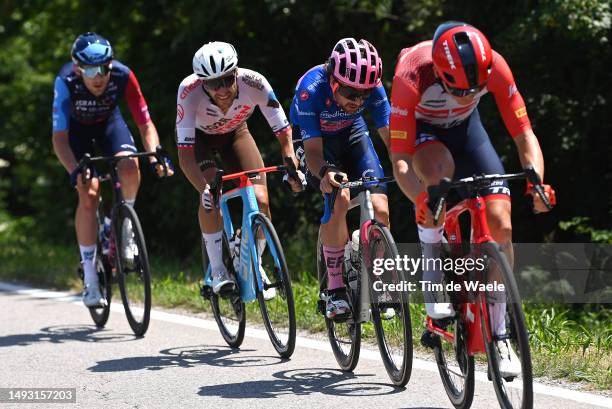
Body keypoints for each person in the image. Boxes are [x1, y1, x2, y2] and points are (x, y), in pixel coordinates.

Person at [389, 22, 556, 376]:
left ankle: (500, 334)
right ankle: (434, 278)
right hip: (426, 137)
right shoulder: (410, 74)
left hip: (468, 134)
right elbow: (400, 159)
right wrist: (420, 198)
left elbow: (523, 132)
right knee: (436, 183)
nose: (467, 95)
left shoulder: (494, 64)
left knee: (501, 224)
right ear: (438, 71)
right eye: (458, 89)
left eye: (475, 89)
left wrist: (537, 181)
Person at [52, 32, 173, 307]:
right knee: (89, 191)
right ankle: (90, 280)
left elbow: (145, 123)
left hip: (108, 126)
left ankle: (125, 228)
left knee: (130, 166)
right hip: (76, 134)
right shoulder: (65, 82)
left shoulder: (122, 75)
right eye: (91, 70)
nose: (99, 76)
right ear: (77, 68)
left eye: (104, 68)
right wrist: (74, 170)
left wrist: (155, 156)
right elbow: (59, 140)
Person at [176, 41, 302, 297]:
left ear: (236, 72)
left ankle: (254, 263)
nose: (222, 89)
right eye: (213, 83)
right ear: (202, 83)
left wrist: (290, 163)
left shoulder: (255, 83)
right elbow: (185, 157)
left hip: (236, 134)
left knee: (261, 199)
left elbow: (284, 133)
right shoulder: (188, 92)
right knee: (211, 191)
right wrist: (204, 189)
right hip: (200, 141)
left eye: (227, 79)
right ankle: (218, 268)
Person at [290, 38, 391, 319]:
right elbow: (312, 152)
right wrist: (324, 172)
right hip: (315, 140)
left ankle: (377, 280)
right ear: (333, 79)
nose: (357, 100)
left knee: (380, 204)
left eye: (364, 94)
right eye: (349, 92)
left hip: (352, 132)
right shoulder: (311, 90)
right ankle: (334, 289)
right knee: (340, 197)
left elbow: (393, 141)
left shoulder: (374, 88)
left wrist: (409, 169)